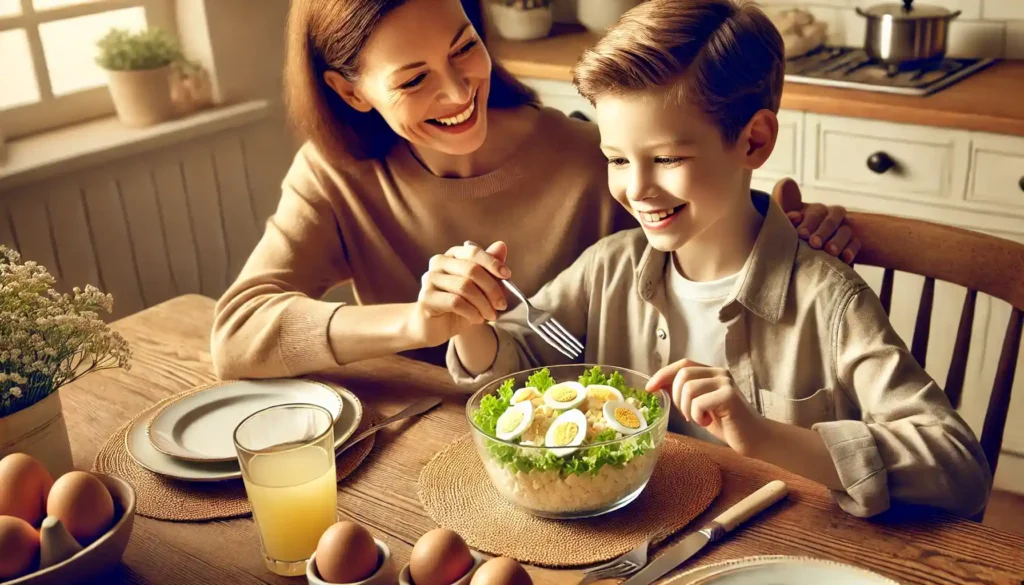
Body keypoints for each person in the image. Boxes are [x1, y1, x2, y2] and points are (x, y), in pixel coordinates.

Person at [437, 0, 991, 518]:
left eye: (668, 158)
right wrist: (470, 323)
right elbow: (519, 366)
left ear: (754, 142)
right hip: (634, 536)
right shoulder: (606, 267)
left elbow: (958, 465)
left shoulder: (829, 300)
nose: (638, 189)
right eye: (616, 160)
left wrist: (764, 436)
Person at [210, 0, 858, 380]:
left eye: (464, 48)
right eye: (413, 81)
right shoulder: (335, 175)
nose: (459, 92)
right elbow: (237, 335)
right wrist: (417, 322)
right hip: (406, 445)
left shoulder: (591, 159)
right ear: (351, 92)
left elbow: (706, 233)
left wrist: (788, 223)